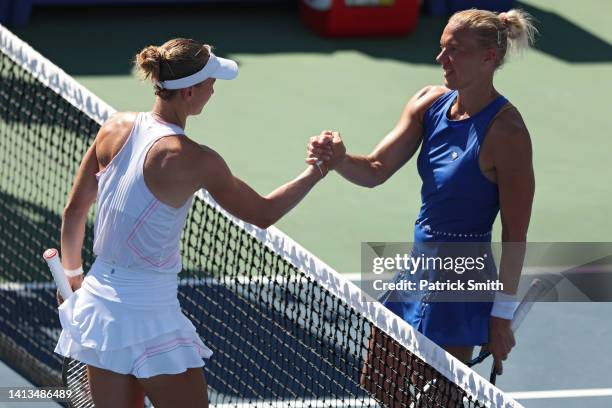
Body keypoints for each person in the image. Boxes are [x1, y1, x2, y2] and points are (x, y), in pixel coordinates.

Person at [55, 38, 330, 408]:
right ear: (187, 92)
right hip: (151, 313)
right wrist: (317, 171)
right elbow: (264, 213)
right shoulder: (197, 160)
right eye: (209, 82)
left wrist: (71, 274)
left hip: (97, 306)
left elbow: (74, 211)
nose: (214, 89)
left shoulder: (114, 127)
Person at [308, 8, 537, 404]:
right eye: (442, 48)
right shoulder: (428, 103)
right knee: (380, 384)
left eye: (454, 51)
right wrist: (340, 159)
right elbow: (376, 169)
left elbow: (516, 234)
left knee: (442, 402)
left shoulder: (508, 132)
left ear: (488, 58)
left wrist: (501, 314)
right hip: (417, 267)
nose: (441, 59)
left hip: (461, 282)